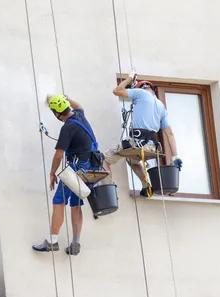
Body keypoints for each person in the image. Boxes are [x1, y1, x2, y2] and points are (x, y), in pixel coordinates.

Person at [32, 94, 99, 256]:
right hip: (90, 167)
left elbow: (58, 155)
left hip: (76, 169)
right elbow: (79, 105)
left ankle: (52, 241)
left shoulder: (68, 127)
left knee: (59, 200)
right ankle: (76, 242)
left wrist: (52, 173)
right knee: (75, 204)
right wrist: (64, 97)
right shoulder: (80, 116)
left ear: (57, 113)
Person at [102, 72, 182, 196]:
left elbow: (117, 91)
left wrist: (129, 78)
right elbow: (170, 134)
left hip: (138, 144)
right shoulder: (161, 106)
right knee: (131, 160)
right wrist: (175, 156)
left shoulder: (140, 93)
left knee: (104, 159)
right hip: (152, 147)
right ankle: (146, 186)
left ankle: (109, 194)